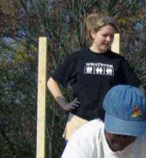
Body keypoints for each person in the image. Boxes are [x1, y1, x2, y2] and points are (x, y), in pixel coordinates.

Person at [47, 13, 140, 141]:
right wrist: (64, 104)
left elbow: (138, 89)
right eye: (104, 35)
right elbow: (52, 82)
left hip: (108, 124)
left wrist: (131, 113)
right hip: (79, 122)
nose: (108, 39)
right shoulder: (78, 58)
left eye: (111, 36)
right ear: (93, 34)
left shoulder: (118, 61)